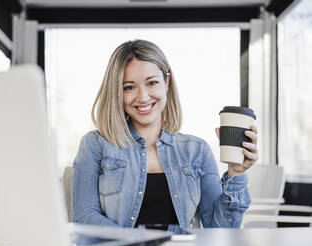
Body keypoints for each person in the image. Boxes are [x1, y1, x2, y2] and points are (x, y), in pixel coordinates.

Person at [70, 39, 258, 234]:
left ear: (167, 82)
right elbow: (85, 217)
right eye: (128, 87)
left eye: (152, 82)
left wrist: (236, 172)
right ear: (117, 91)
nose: (142, 97)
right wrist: (137, 243)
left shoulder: (197, 150)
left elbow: (221, 231)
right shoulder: (95, 144)